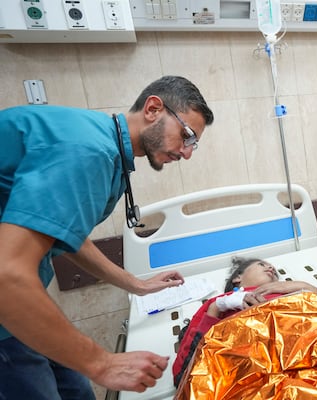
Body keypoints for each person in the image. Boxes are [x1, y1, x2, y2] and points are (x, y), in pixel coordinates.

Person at [0, 75, 214, 399]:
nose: (187, 153)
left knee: (76, 390)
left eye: (193, 144)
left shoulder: (103, 147)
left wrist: (136, 284)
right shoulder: (87, 150)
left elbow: (66, 232)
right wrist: (103, 364)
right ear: (154, 109)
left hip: (15, 301)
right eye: (186, 136)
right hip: (9, 307)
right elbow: (8, 276)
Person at [173, 256, 317, 387]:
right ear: (237, 277)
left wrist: (303, 286)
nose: (271, 268)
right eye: (262, 264)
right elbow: (185, 373)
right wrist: (218, 306)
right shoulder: (223, 303)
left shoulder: (293, 292)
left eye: (274, 270)